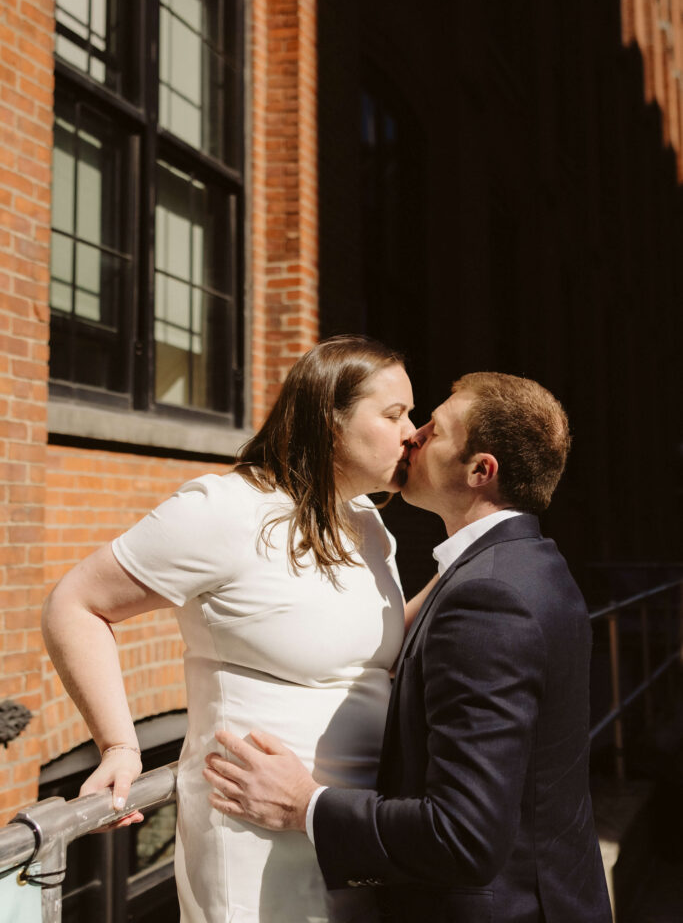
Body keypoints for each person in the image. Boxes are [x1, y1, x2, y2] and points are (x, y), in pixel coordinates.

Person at [42, 335, 429, 923]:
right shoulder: (226, 510)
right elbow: (76, 603)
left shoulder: (367, 523)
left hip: (347, 831)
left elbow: (360, 645)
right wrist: (119, 744)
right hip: (255, 846)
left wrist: (467, 573)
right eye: (395, 413)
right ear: (330, 420)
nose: (413, 432)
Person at [204, 371, 613, 923]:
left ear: (479, 470)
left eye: (433, 429)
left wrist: (305, 805)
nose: (413, 436)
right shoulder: (528, 567)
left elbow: (463, 836)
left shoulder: (490, 598)